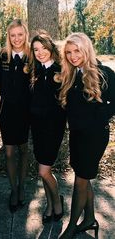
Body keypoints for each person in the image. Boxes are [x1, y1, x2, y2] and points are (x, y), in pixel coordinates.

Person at [58, 33, 115, 238]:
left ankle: (72, 225)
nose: (73, 56)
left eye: (77, 51)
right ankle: (90, 218)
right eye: (69, 52)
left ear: (86, 49)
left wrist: (100, 117)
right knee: (83, 177)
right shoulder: (72, 74)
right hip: (77, 136)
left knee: (80, 181)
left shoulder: (104, 73)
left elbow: (112, 104)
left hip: (94, 137)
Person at [29, 30, 66, 224]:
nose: (40, 52)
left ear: (51, 48)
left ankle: (58, 202)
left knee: (44, 170)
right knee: (41, 169)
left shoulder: (61, 70)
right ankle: (50, 204)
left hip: (53, 128)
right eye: (36, 49)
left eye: (44, 48)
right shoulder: (35, 70)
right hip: (37, 128)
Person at [0, 19, 30, 212]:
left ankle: (22, 188)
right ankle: (13, 189)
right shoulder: (3, 56)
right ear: (8, 37)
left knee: (24, 150)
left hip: (26, 112)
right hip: (8, 111)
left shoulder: (32, 56)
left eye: (20, 34)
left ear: (25, 35)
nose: (16, 39)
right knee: (10, 152)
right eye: (13, 35)